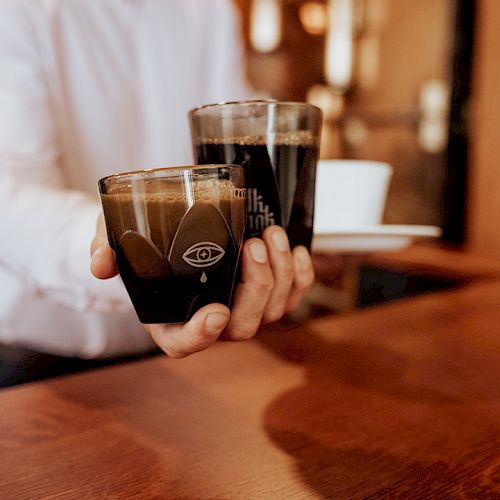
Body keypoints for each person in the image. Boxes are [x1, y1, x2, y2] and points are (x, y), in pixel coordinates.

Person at [0, 0, 315, 375]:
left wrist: (288, 231)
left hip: (186, 349)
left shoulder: (211, 10)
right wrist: (125, 252)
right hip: (37, 357)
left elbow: (233, 152)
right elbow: (9, 193)